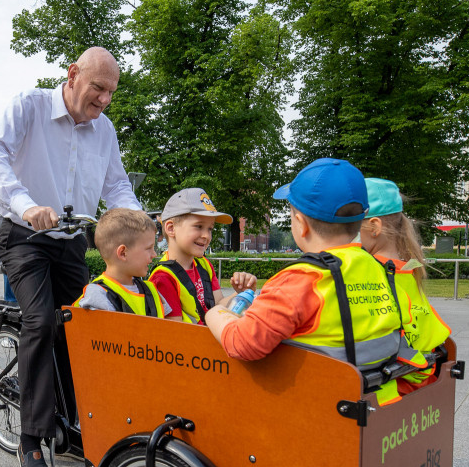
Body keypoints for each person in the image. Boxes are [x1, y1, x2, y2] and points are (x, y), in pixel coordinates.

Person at [0, 46, 141, 467]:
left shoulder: (104, 130)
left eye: (111, 92)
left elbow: (117, 185)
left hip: (70, 243)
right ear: (72, 75)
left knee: (85, 325)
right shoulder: (29, 106)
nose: (105, 99)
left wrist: (140, 224)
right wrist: (26, 205)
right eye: (98, 88)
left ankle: (76, 423)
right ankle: (31, 437)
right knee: (40, 320)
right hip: (24, 236)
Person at [205, 158, 420, 406]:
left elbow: (242, 343)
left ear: (302, 224)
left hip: (315, 407)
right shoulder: (381, 269)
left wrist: (216, 312)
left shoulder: (302, 279)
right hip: (372, 399)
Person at [359, 178, 451, 394]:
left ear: (373, 226)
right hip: (421, 376)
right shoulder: (411, 268)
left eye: (350, 225)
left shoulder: (369, 271)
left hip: (390, 386)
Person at [149, 188, 249, 324]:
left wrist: (241, 294)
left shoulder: (204, 265)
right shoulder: (164, 278)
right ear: (171, 228)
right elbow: (173, 333)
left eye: (210, 229)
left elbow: (217, 303)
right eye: (198, 226)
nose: (206, 236)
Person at [75, 208, 170, 317]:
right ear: (123, 253)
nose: (154, 255)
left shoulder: (152, 290)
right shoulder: (97, 296)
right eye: (149, 248)